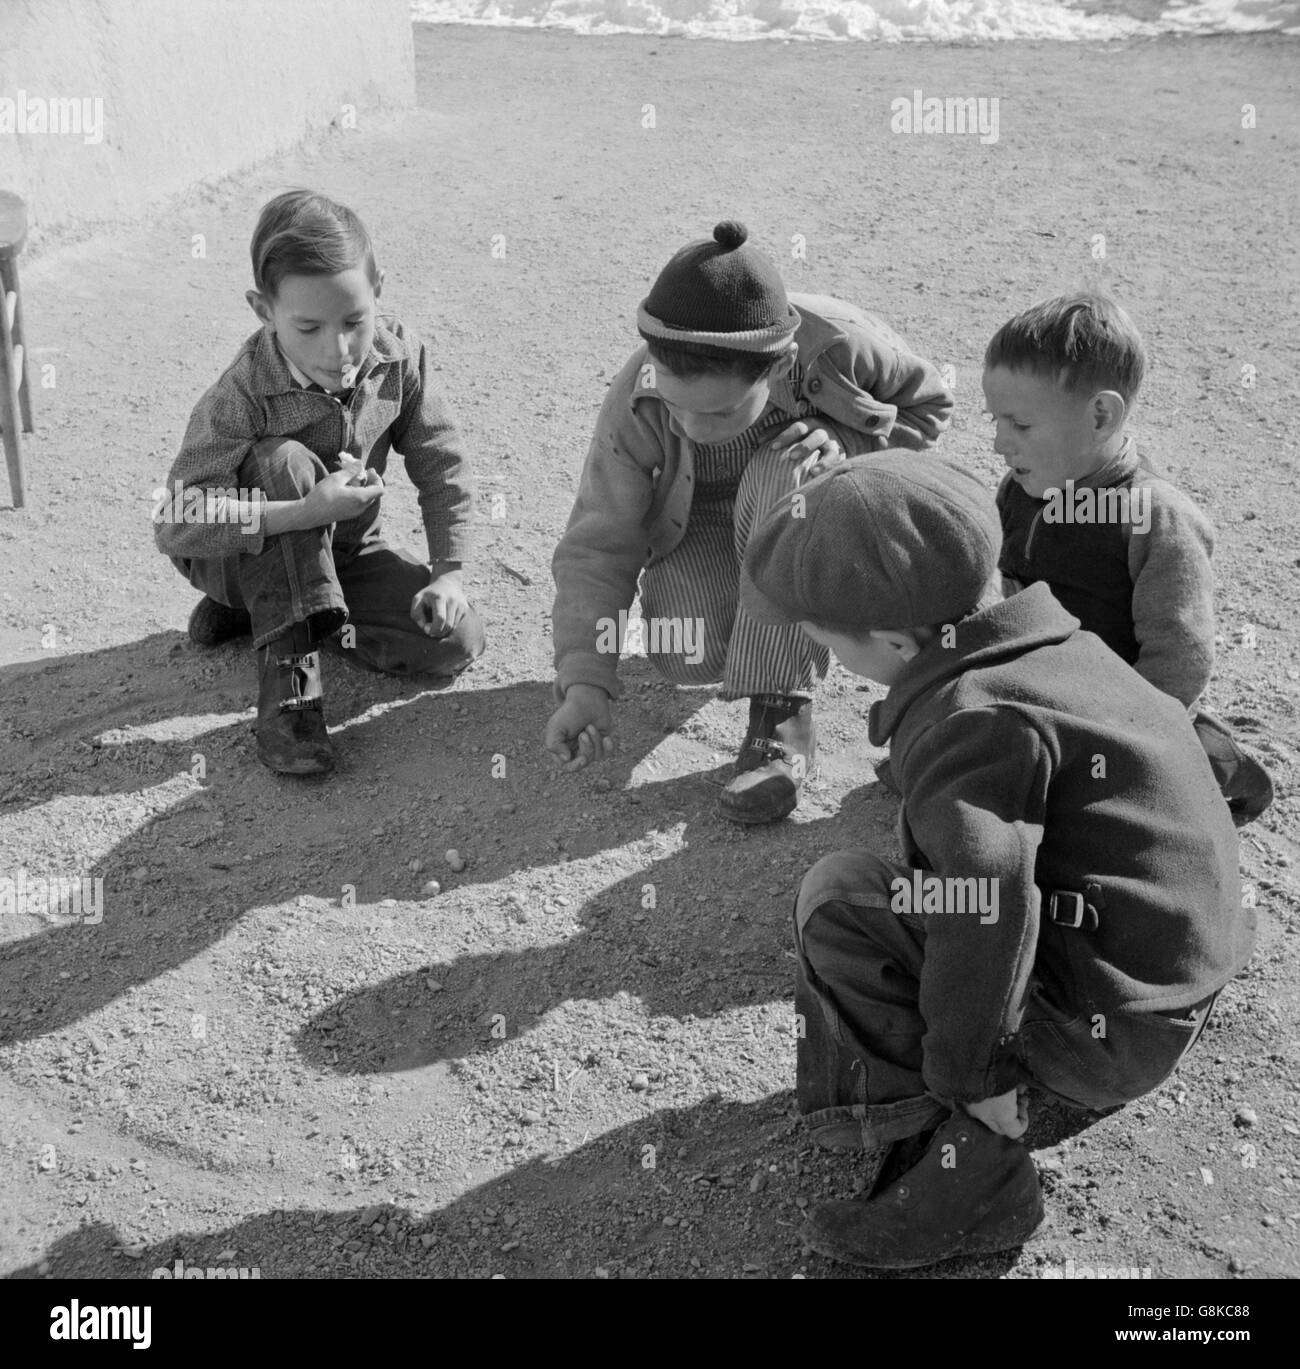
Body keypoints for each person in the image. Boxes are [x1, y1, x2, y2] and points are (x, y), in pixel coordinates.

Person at [739, 452, 1253, 1269]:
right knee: (917, 871)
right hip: (1173, 981)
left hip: (1113, 1037)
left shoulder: (970, 717)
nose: (817, 649)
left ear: (897, 640)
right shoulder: (1048, 640)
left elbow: (989, 909)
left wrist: (974, 1073)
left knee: (837, 898)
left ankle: (968, 1171)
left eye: (821, 635)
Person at [546, 220, 953, 824]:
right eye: (676, 407)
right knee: (686, 653)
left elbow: (931, 407)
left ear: (779, 364)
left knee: (786, 471)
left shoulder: (838, 346)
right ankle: (758, 627)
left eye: (717, 411)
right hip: (703, 521)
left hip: (799, 503)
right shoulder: (636, 393)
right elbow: (600, 541)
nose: (690, 427)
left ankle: (780, 714)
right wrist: (586, 678)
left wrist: (843, 438)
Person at [154, 190, 484, 775]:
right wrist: (303, 511)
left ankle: (271, 612)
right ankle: (293, 693)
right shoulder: (244, 391)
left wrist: (449, 573)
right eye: (307, 327)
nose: (339, 350)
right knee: (286, 463)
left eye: (355, 321)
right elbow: (177, 518)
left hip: (344, 552)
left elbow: (441, 460)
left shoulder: (397, 357)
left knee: (454, 644)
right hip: (238, 552)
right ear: (263, 309)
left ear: (377, 285)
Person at [985, 291, 1272, 825]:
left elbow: (1178, 657)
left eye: (1020, 426)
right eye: (996, 421)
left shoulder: (1153, 517)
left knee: (1089, 818)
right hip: (1042, 689)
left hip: (1119, 713)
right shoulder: (1021, 487)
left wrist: (1130, 740)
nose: (1000, 443)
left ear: (1100, 414)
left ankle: (1201, 763)